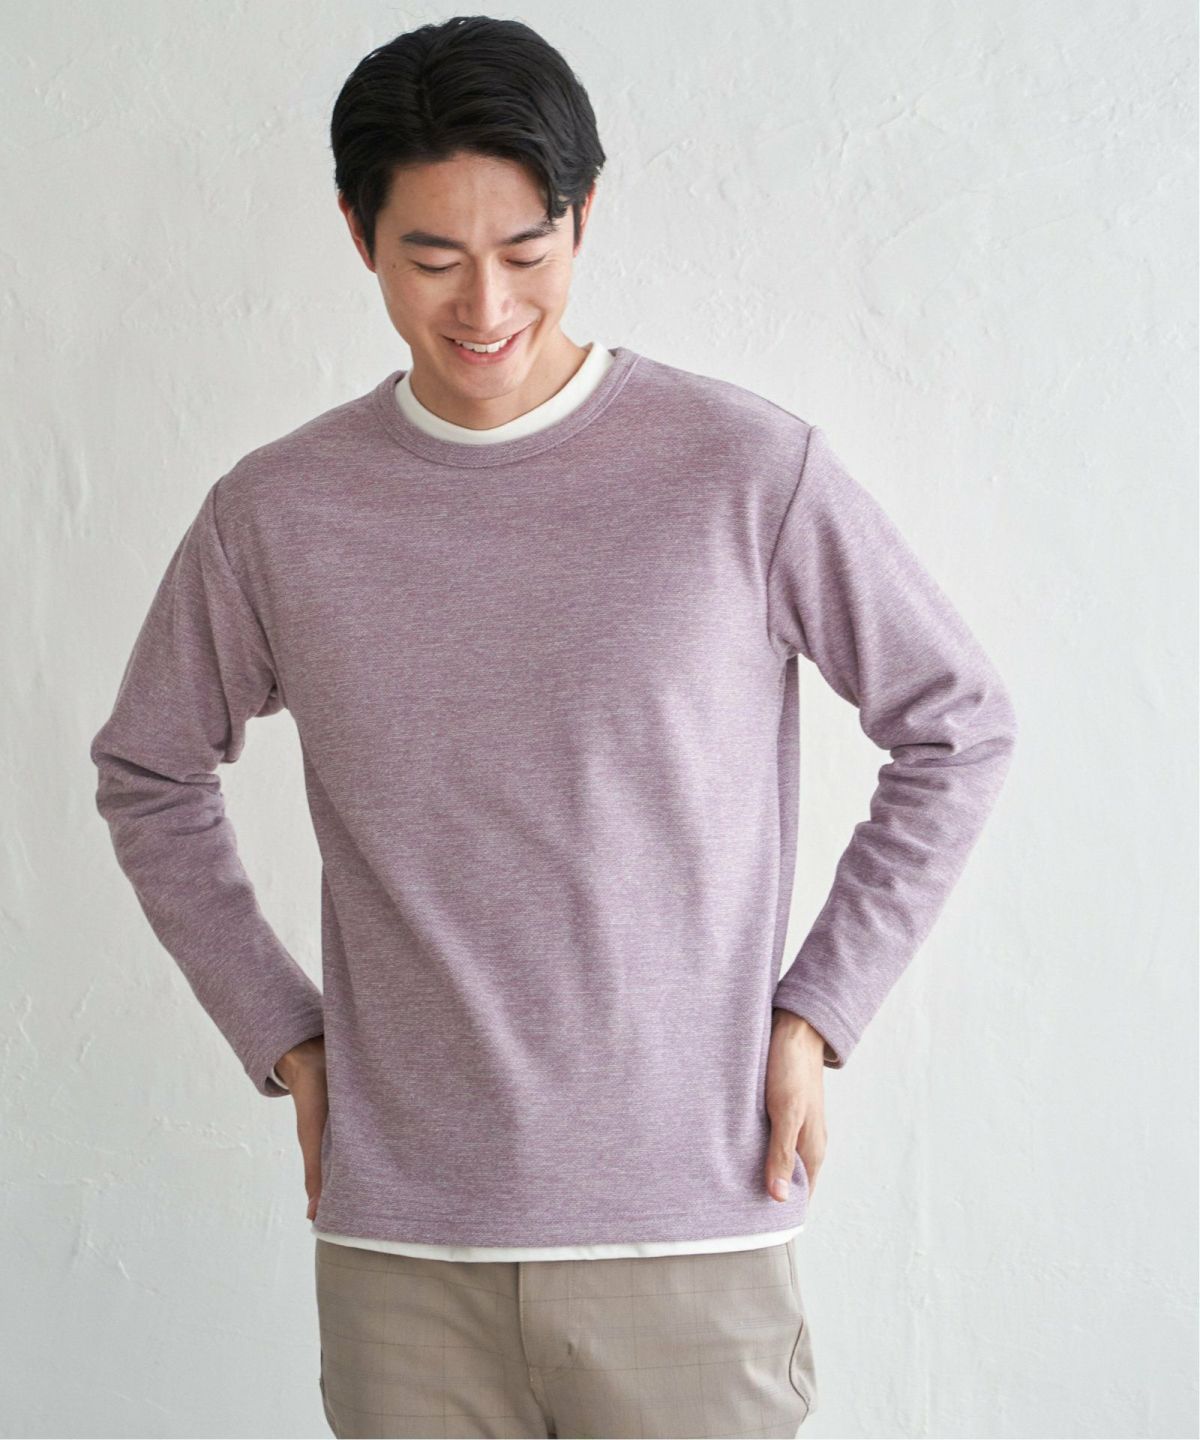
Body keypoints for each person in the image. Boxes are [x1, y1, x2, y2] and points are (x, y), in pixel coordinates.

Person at [88, 15, 1018, 1439]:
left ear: (587, 215)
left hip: (690, 1227)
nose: (484, 305)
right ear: (357, 234)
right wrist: (281, 1032)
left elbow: (956, 724)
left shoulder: (743, 471)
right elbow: (148, 770)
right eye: (432, 259)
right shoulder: (279, 514)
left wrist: (820, 1009)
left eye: (526, 251)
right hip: (405, 1259)